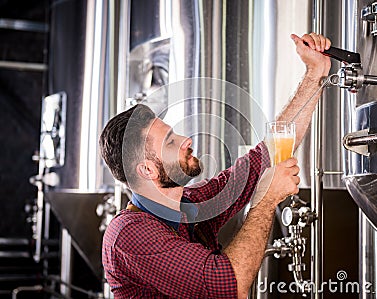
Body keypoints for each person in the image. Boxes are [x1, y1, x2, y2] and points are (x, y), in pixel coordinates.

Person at [99, 33, 331, 299]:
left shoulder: (189, 206)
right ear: (148, 170)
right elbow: (231, 287)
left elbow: (265, 156)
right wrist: (266, 202)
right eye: (171, 142)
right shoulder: (130, 234)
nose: (186, 140)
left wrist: (315, 74)